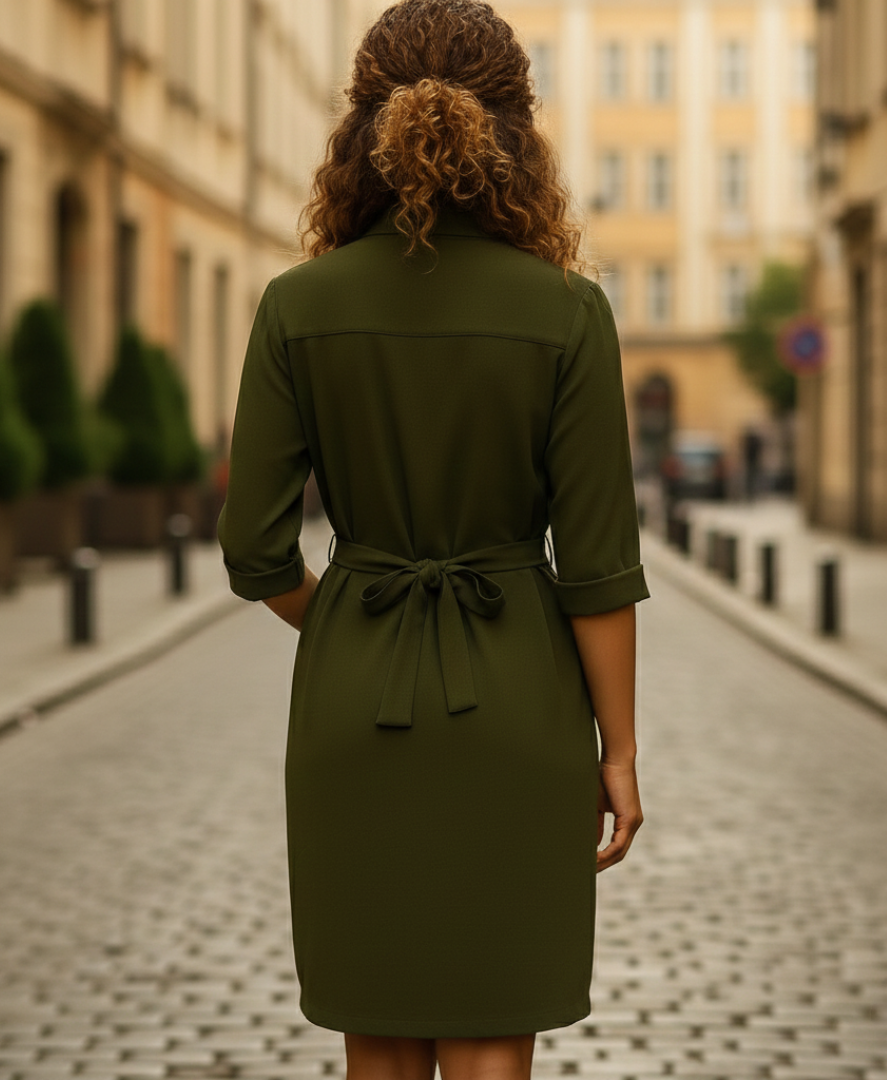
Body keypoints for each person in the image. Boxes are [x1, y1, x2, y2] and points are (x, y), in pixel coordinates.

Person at [217, 2, 650, 1077]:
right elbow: (599, 568)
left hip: (352, 702)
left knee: (378, 1028)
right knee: (495, 1028)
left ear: (357, 129)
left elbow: (255, 553)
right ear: (519, 133)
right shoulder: (569, 313)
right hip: (520, 703)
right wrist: (618, 751)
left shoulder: (295, 305)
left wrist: (351, 619)